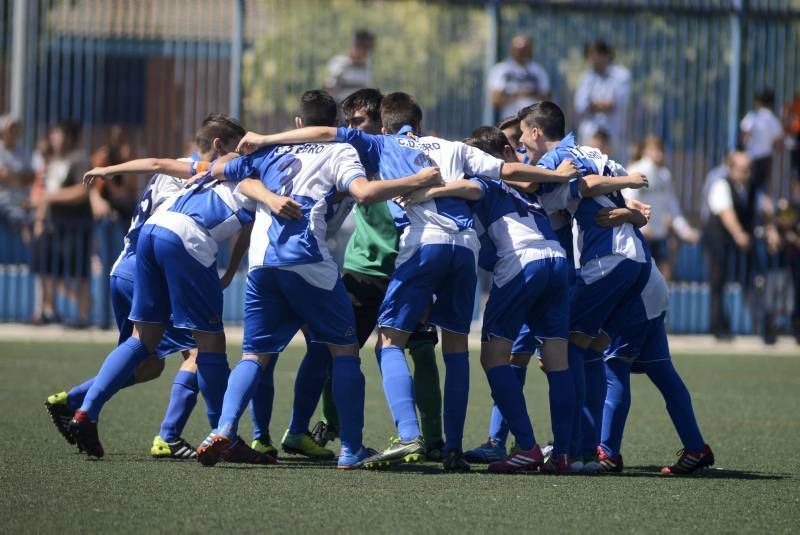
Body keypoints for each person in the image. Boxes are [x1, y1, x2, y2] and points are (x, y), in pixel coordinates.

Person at [234, 92, 578, 472]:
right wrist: (557, 175)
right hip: (466, 250)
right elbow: (508, 172)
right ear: (421, 122)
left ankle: (409, 432)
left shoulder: (379, 143)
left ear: (384, 126)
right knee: (456, 349)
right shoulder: (453, 147)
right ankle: (452, 447)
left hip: (423, 246)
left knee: (389, 341)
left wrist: (266, 139)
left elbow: (325, 133)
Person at [195, 90, 444, 470]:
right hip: (310, 260)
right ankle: (352, 449)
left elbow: (218, 169)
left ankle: (224, 429)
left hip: (263, 265)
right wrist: (417, 179)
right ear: (338, 126)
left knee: (253, 355)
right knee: (344, 351)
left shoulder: (270, 151)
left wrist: (267, 193)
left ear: (298, 123)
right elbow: (361, 192)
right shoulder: (342, 151)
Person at [65, 116, 275, 468]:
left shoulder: (204, 166)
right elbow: (250, 213)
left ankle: (86, 411)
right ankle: (224, 437)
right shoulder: (249, 171)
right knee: (210, 345)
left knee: (142, 339)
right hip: (188, 240)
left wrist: (108, 169)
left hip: (150, 234)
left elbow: (156, 163)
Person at [295, 88, 446, 460]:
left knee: (423, 352)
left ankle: (431, 440)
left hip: (407, 269)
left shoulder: (410, 154)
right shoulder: (350, 158)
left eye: (359, 122)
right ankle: (331, 425)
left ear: (382, 122)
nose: (351, 128)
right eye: (348, 123)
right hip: (362, 270)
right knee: (337, 349)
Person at [30, 121, 92, 326]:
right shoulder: (51, 161)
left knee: (79, 271)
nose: (57, 137)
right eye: (55, 133)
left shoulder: (80, 158)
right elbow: (43, 195)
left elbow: (82, 191)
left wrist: (51, 197)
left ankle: (83, 315)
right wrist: (39, 219)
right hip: (52, 225)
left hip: (76, 224)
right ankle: (48, 311)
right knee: (46, 268)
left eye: (61, 133)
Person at [626, 135, 700, 280]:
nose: (658, 153)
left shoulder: (664, 175)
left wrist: (684, 230)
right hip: (639, 235)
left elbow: (672, 207)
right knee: (637, 282)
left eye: (660, 149)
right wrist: (640, 226)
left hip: (658, 236)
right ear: (645, 151)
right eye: (654, 149)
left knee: (661, 280)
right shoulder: (635, 170)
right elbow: (629, 201)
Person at [702, 151, 754, 339]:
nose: (746, 173)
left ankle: (753, 323)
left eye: (748, 169)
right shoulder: (721, 184)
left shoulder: (747, 187)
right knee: (717, 282)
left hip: (728, 241)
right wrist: (739, 234)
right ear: (731, 168)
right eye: (742, 169)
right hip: (716, 239)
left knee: (730, 281)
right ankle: (717, 327)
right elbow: (726, 212)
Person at [574, 40, 631, 160]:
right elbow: (580, 105)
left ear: (606, 55)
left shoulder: (622, 76)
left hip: (613, 133)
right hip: (590, 133)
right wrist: (603, 104)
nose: (592, 60)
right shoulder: (587, 77)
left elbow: (617, 104)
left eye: (595, 56)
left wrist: (593, 104)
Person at [487, 35, 551, 121]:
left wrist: (530, 93)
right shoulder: (502, 70)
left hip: (534, 122)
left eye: (524, 48)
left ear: (530, 49)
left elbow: (547, 98)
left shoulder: (538, 71)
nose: (521, 52)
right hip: (508, 122)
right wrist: (518, 94)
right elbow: (495, 99)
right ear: (511, 49)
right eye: (518, 48)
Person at [741, 89, 784, 193]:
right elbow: (778, 143)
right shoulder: (773, 120)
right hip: (765, 158)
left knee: (747, 186)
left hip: (749, 156)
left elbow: (744, 136)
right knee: (762, 187)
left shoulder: (752, 116)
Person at [0, 115, 34, 233]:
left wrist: (11, 176)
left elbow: (30, 177)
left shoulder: (24, 151)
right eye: (10, 129)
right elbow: (3, 174)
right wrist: (20, 176)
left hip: (19, 201)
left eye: (16, 129)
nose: (13, 133)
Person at [325, 30, 375, 103]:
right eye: (367, 49)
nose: (368, 53)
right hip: (340, 109)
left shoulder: (365, 68)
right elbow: (330, 90)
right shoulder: (340, 63)